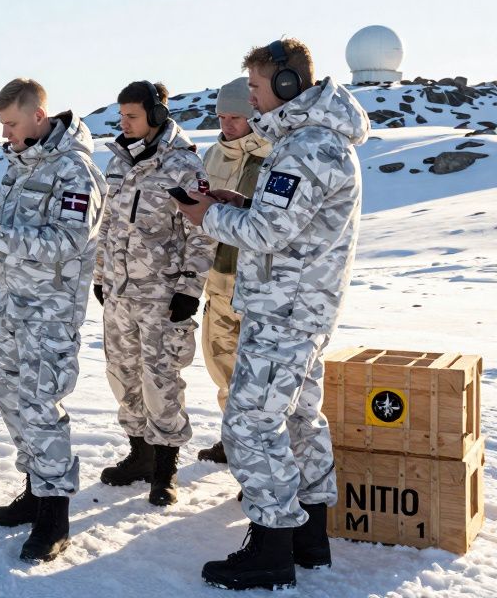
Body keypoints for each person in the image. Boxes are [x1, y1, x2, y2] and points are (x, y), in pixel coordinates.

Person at [176, 38, 368, 591]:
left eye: (257, 88)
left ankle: (271, 548)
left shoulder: (307, 147)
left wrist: (207, 217)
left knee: (250, 425)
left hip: (285, 309)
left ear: (287, 85)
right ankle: (310, 540)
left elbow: (268, 233)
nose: (254, 100)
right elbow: (280, 220)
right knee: (301, 420)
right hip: (300, 306)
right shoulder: (314, 141)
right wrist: (237, 205)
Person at [0, 78, 106, 562]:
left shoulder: (76, 172)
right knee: (14, 404)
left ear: (38, 117)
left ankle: (54, 518)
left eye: (11, 124)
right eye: (2, 125)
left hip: (51, 314)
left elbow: (70, 241)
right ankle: (34, 489)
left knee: (43, 409)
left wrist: (1, 234)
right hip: (14, 309)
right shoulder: (20, 166)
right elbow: (1, 216)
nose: (5, 134)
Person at [92, 80, 214, 507]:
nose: (123, 124)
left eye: (132, 116)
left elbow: (201, 233)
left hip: (162, 297)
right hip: (120, 294)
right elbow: (107, 225)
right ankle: (139, 455)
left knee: (160, 381)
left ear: (157, 117)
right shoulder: (119, 163)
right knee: (122, 375)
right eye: (121, 116)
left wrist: (189, 289)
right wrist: (101, 275)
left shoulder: (183, 166)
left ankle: (165, 469)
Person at [196, 77, 272, 465]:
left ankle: (260, 455)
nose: (228, 125)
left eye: (236, 117)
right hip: (217, 278)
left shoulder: (275, 155)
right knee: (221, 363)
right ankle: (234, 439)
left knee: (259, 376)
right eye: (222, 116)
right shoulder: (213, 155)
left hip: (257, 284)